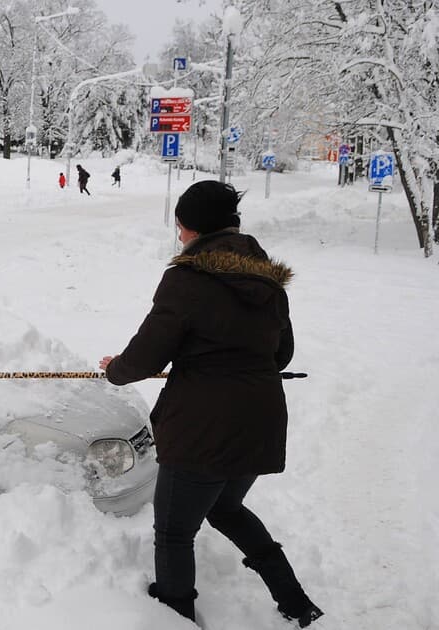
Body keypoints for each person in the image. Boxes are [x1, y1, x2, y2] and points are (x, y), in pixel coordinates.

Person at [98, 180, 323, 628]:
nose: (179, 235)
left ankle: (175, 615)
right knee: (226, 508)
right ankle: (296, 602)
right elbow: (281, 355)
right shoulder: (266, 279)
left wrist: (114, 369)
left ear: (194, 229)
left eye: (180, 227)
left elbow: (146, 356)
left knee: (175, 533)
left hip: (202, 428)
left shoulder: (186, 279)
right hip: (259, 422)